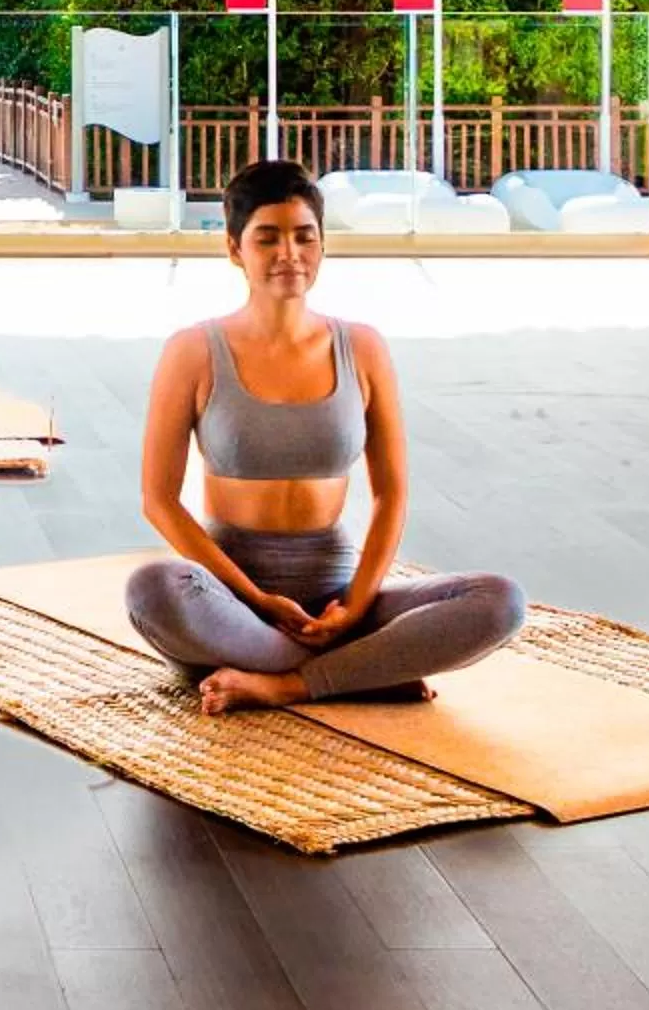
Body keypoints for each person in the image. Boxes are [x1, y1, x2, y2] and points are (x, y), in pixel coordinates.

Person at [123, 159, 526, 714]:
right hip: (232, 598)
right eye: (267, 238)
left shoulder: (362, 347)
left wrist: (357, 607)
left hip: (338, 593)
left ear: (321, 245)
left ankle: (285, 683)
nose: (289, 253)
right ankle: (362, 672)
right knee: (152, 590)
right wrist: (257, 597)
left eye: (304, 237)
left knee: (500, 602)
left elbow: (391, 495)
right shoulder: (192, 350)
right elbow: (158, 500)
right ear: (235, 249)